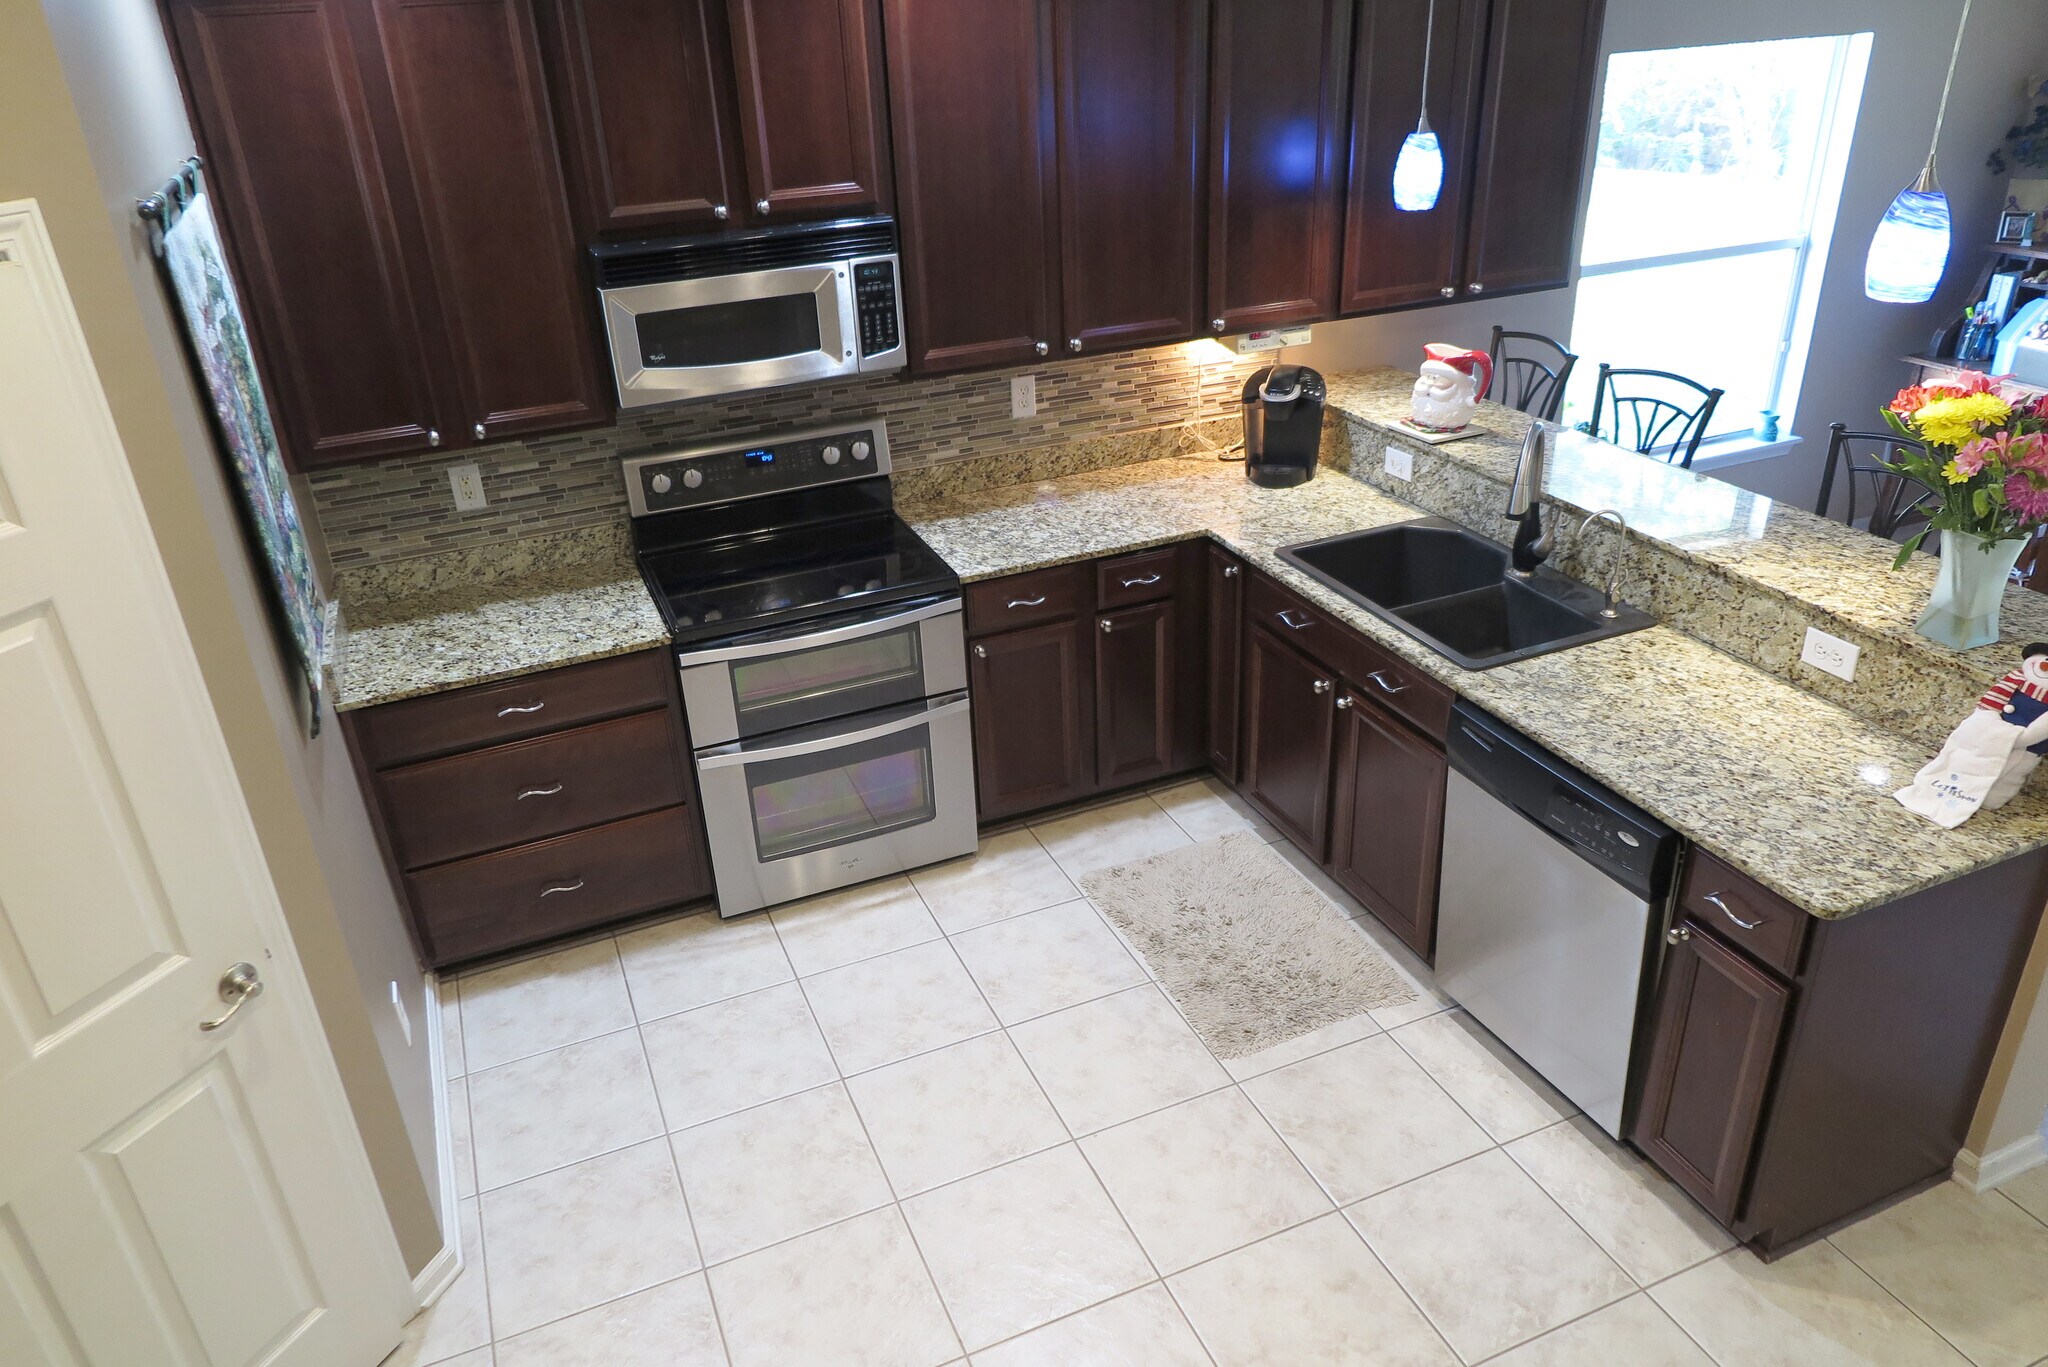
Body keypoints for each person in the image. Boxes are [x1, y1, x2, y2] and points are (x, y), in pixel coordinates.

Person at [1896, 642, 2048, 827]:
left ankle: (1990, 797)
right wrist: (1986, 718)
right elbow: (1991, 702)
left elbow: (2037, 731)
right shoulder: (2014, 683)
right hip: (1991, 728)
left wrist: (2012, 737)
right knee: (1964, 758)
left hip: (2025, 747)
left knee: (2010, 773)